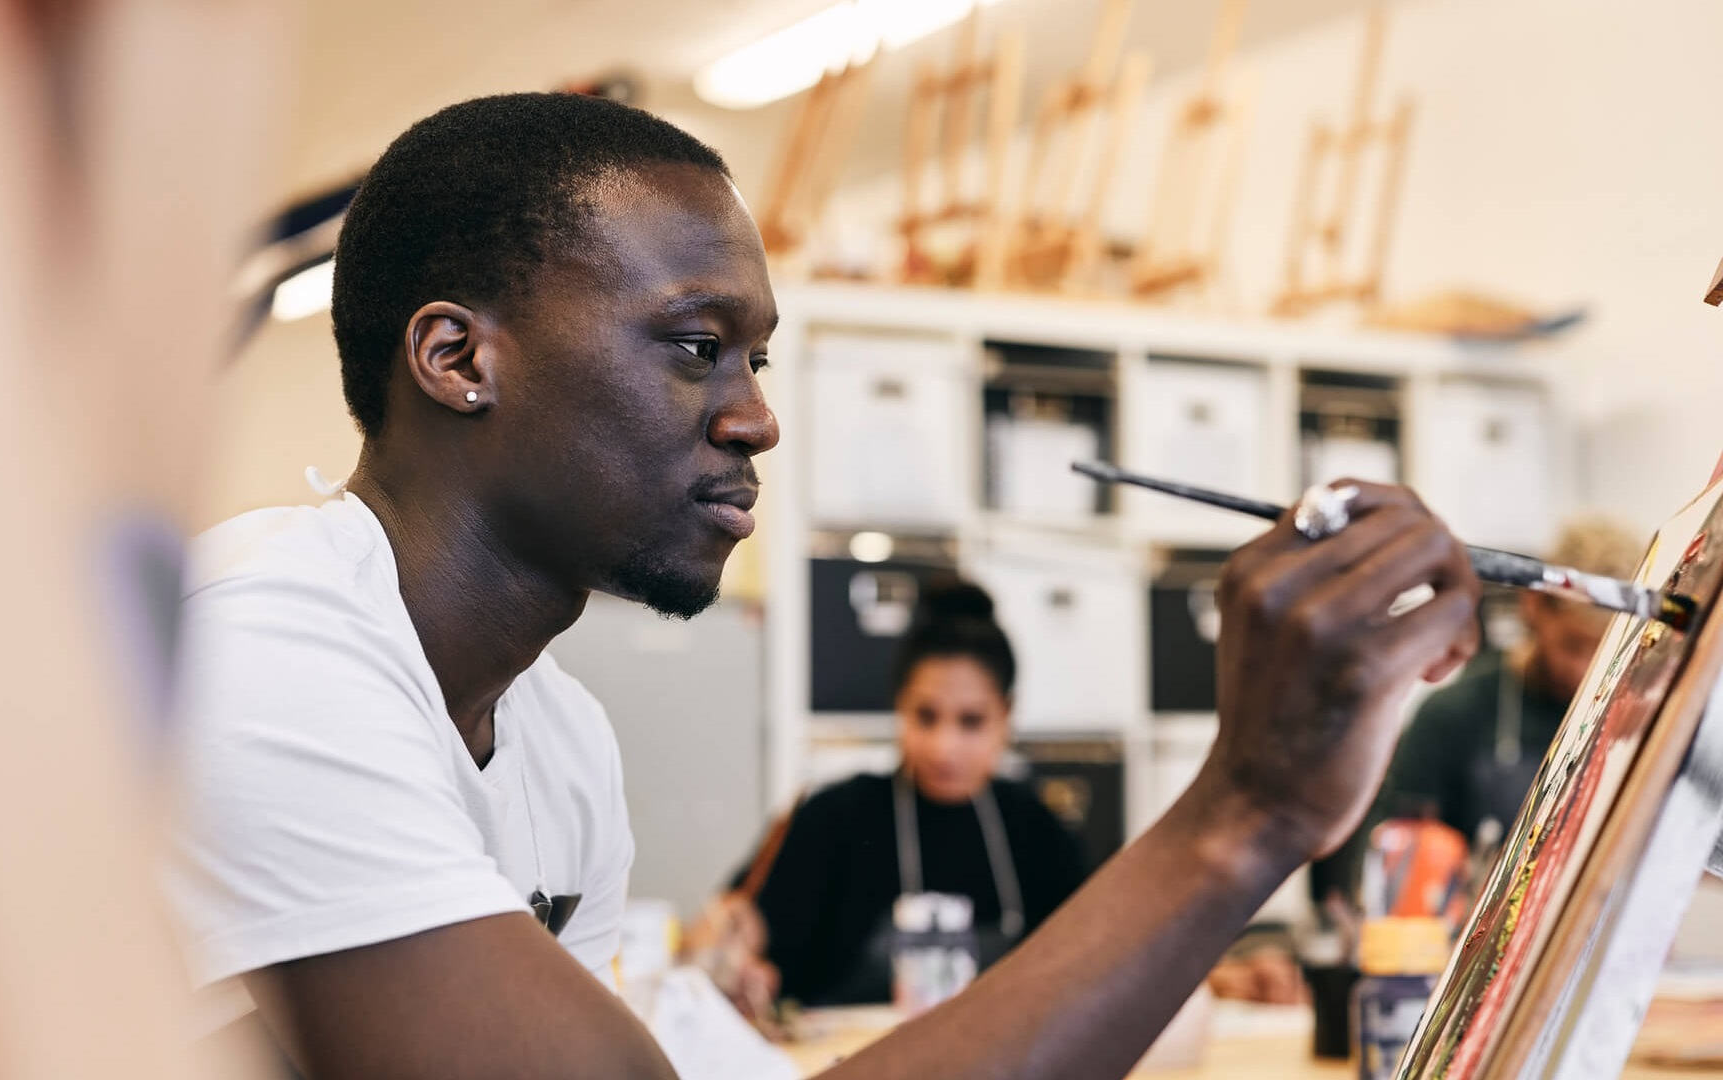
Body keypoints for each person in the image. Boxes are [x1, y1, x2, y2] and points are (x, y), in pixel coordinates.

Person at [170, 90, 1481, 1079]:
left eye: (759, 364)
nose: (755, 421)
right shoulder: (267, 657)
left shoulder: (557, 745)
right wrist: (1242, 816)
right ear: (458, 359)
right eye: (695, 348)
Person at [701, 580, 1092, 1009]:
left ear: (1007, 714)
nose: (945, 747)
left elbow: (1092, 955)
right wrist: (730, 956)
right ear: (899, 705)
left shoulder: (1035, 830)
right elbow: (735, 926)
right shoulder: (834, 817)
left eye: (971, 721)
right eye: (925, 717)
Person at [1312, 517, 1643, 903]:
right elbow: (1390, 862)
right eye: (1572, 646)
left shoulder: (1639, 721)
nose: (1585, 669)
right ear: (1533, 606)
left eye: (1607, 652)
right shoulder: (1451, 715)